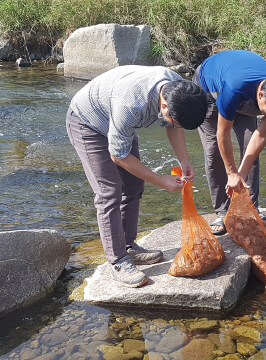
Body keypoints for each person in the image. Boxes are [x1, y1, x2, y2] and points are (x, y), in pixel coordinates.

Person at [66, 65, 208, 287]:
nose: (174, 124)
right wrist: (160, 180)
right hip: (88, 123)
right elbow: (118, 155)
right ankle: (118, 261)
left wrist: (184, 161)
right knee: (109, 192)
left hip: (118, 124)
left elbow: (173, 125)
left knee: (133, 186)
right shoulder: (131, 104)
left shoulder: (179, 90)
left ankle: (129, 247)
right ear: (164, 106)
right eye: (174, 119)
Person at [193, 50, 266, 235]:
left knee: (250, 147)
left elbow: (260, 135)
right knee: (213, 151)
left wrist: (241, 173)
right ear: (261, 94)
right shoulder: (235, 88)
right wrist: (231, 173)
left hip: (245, 90)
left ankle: (250, 208)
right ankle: (223, 211)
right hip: (209, 89)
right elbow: (223, 132)